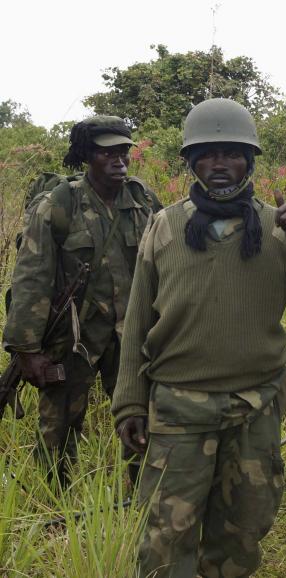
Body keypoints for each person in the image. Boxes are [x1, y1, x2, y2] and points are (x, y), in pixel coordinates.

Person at [111, 98, 286, 578]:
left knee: (242, 532)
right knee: (165, 538)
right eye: (208, 154)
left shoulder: (279, 227)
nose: (219, 164)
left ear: (249, 159)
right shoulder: (165, 226)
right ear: (192, 162)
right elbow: (137, 319)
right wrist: (130, 403)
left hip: (254, 407)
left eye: (232, 153)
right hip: (179, 408)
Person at [2, 115, 161, 486]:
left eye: (124, 152)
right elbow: (31, 277)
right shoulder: (59, 205)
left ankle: (141, 495)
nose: (119, 161)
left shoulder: (143, 201)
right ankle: (54, 500)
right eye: (108, 154)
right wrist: (27, 349)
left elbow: (169, 264)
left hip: (131, 333)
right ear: (87, 155)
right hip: (74, 335)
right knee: (60, 421)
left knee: (143, 412)